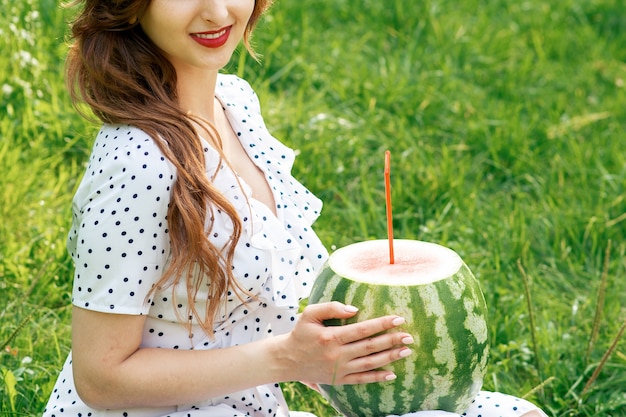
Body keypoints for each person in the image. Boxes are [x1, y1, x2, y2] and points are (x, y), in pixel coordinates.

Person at [43, 1, 548, 417]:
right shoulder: (137, 159)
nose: (218, 12)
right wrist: (288, 359)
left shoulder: (234, 103)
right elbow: (102, 379)